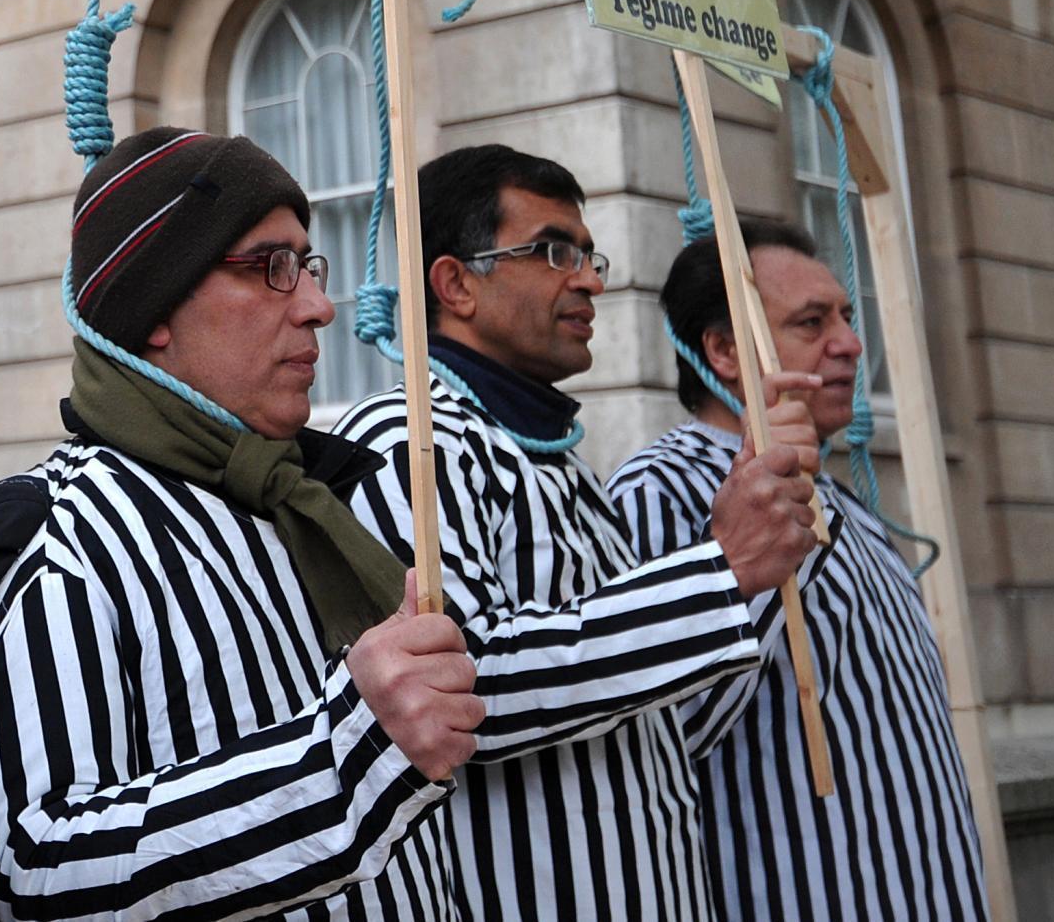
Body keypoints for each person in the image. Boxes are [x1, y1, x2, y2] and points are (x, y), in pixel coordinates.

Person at [0, 126, 484, 922]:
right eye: (271, 268)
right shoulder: (49, 538)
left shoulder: (308, 509)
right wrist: (345, 761)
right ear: (154, 306)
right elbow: (32, 872)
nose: (317, 306)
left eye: (309, 266)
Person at [336, 144, 822, 920]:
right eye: (554, 250)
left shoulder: (564, 468)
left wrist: (754, 570)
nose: (592, 279)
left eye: (590, 254)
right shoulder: (409, 439)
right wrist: (719, 572)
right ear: (455, 282)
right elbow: (465, 687)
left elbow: (663, 717)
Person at [614, 218, 990, 921]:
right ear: (724, 350)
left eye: (846, 316)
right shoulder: (658, 491)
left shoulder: (845, 499)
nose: (849, 342)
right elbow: (661, 733)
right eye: (812, 322)